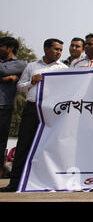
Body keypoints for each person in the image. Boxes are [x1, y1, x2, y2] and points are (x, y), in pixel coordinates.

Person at [0, 38, 67, 192]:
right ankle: (15, 183)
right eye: (56, 49)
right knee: (24, 145)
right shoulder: (32, 66)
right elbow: (20, 87)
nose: (58, 53)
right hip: (32, 109)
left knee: (51, 146)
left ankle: (50, 181)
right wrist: (32, 82)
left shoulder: (63, 68)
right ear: (46, 49)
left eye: (60, 50)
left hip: (52, 111)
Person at [0, 37, 26, 178]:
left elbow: (3, 70)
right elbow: (3, 73)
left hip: (4, 106)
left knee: (1, 141)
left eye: (2, 46)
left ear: (10, 48)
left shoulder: (20, 64)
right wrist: (5, 79)